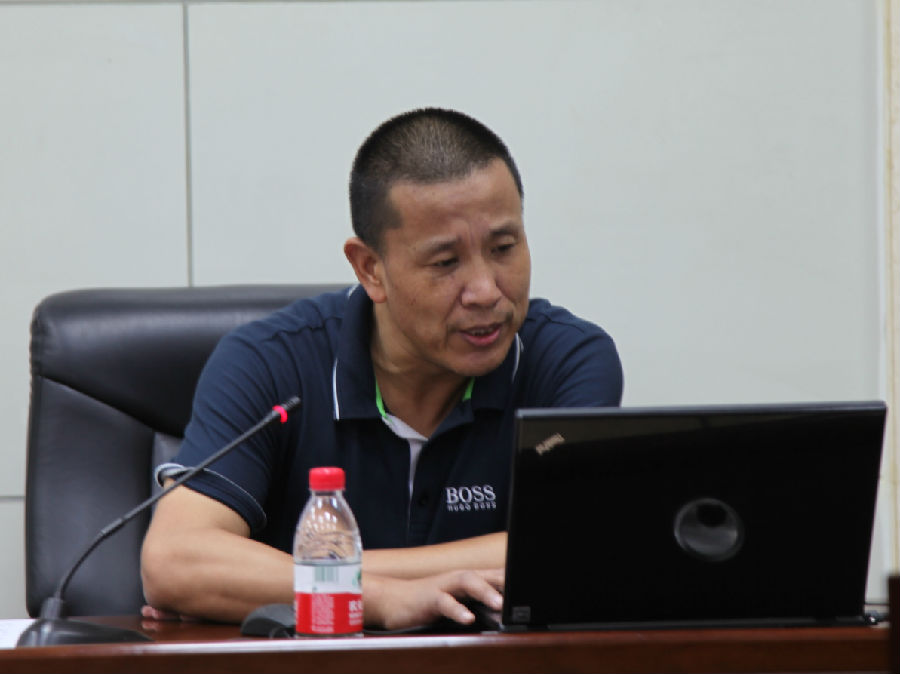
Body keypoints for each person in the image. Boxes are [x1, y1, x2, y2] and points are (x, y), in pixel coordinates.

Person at [141, 107, 623, 630]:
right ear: (371, 269)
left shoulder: (567, 361)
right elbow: (174, 562)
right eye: (446, 263)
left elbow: (570, 546)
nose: (486, 291)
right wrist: (381, 598)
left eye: (504, 248)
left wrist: (313, 573)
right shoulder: (268, 362)